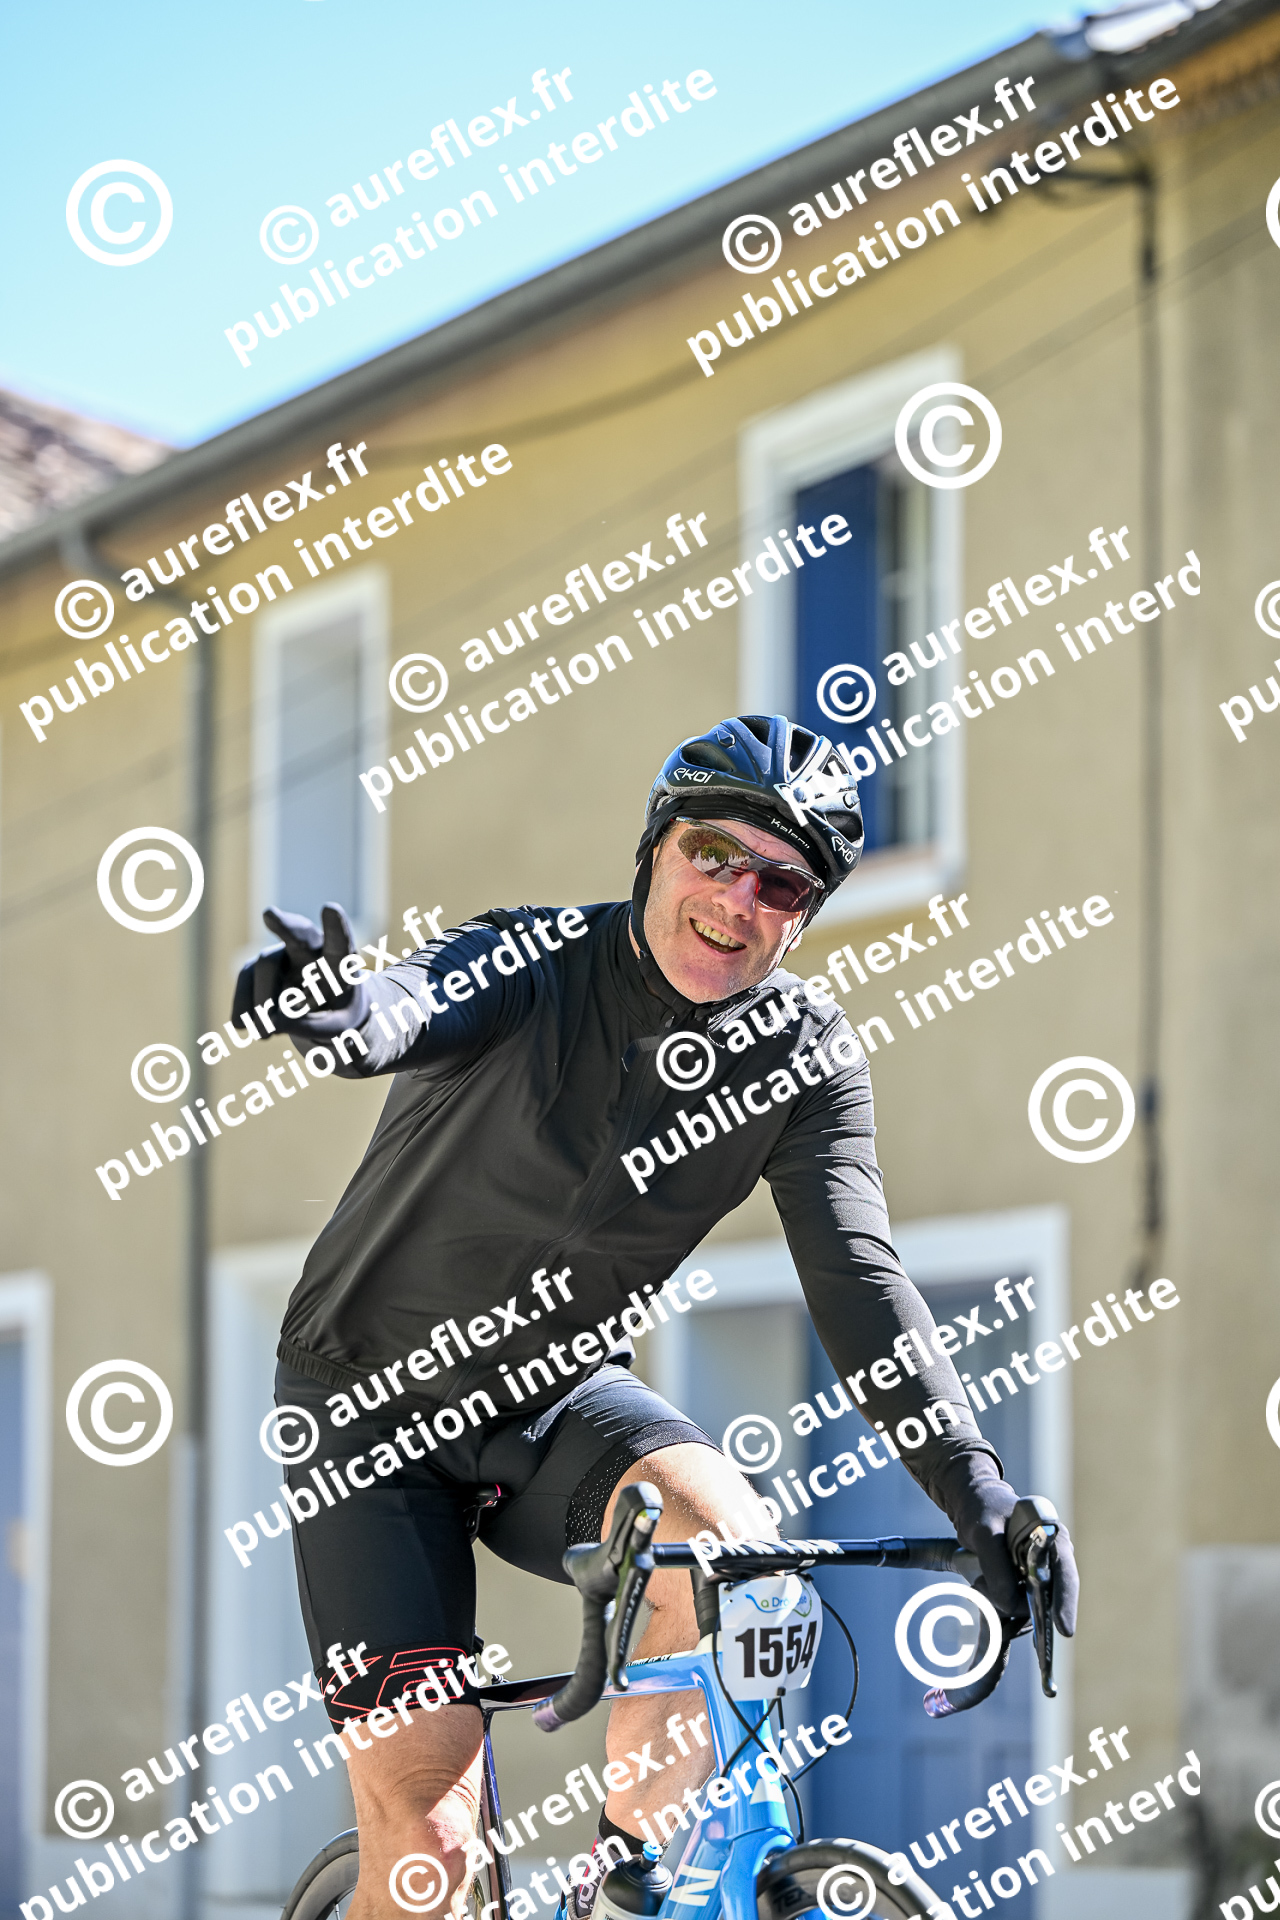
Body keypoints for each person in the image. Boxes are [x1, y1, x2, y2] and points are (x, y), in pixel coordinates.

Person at [234, 713, 1078, 1920]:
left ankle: (627, 1886)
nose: (737, 899)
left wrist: (974, 1489)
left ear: (804, 915)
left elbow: (859, 1282)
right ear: (653, 850)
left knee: (731, 1551)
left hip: (552, 1404)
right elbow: (407, 1006)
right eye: (712, 854)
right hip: (363, 1412)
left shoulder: (802, 1056)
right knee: (429, 1852)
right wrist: (341, 1013)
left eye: (780, 884)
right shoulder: (532, 960)